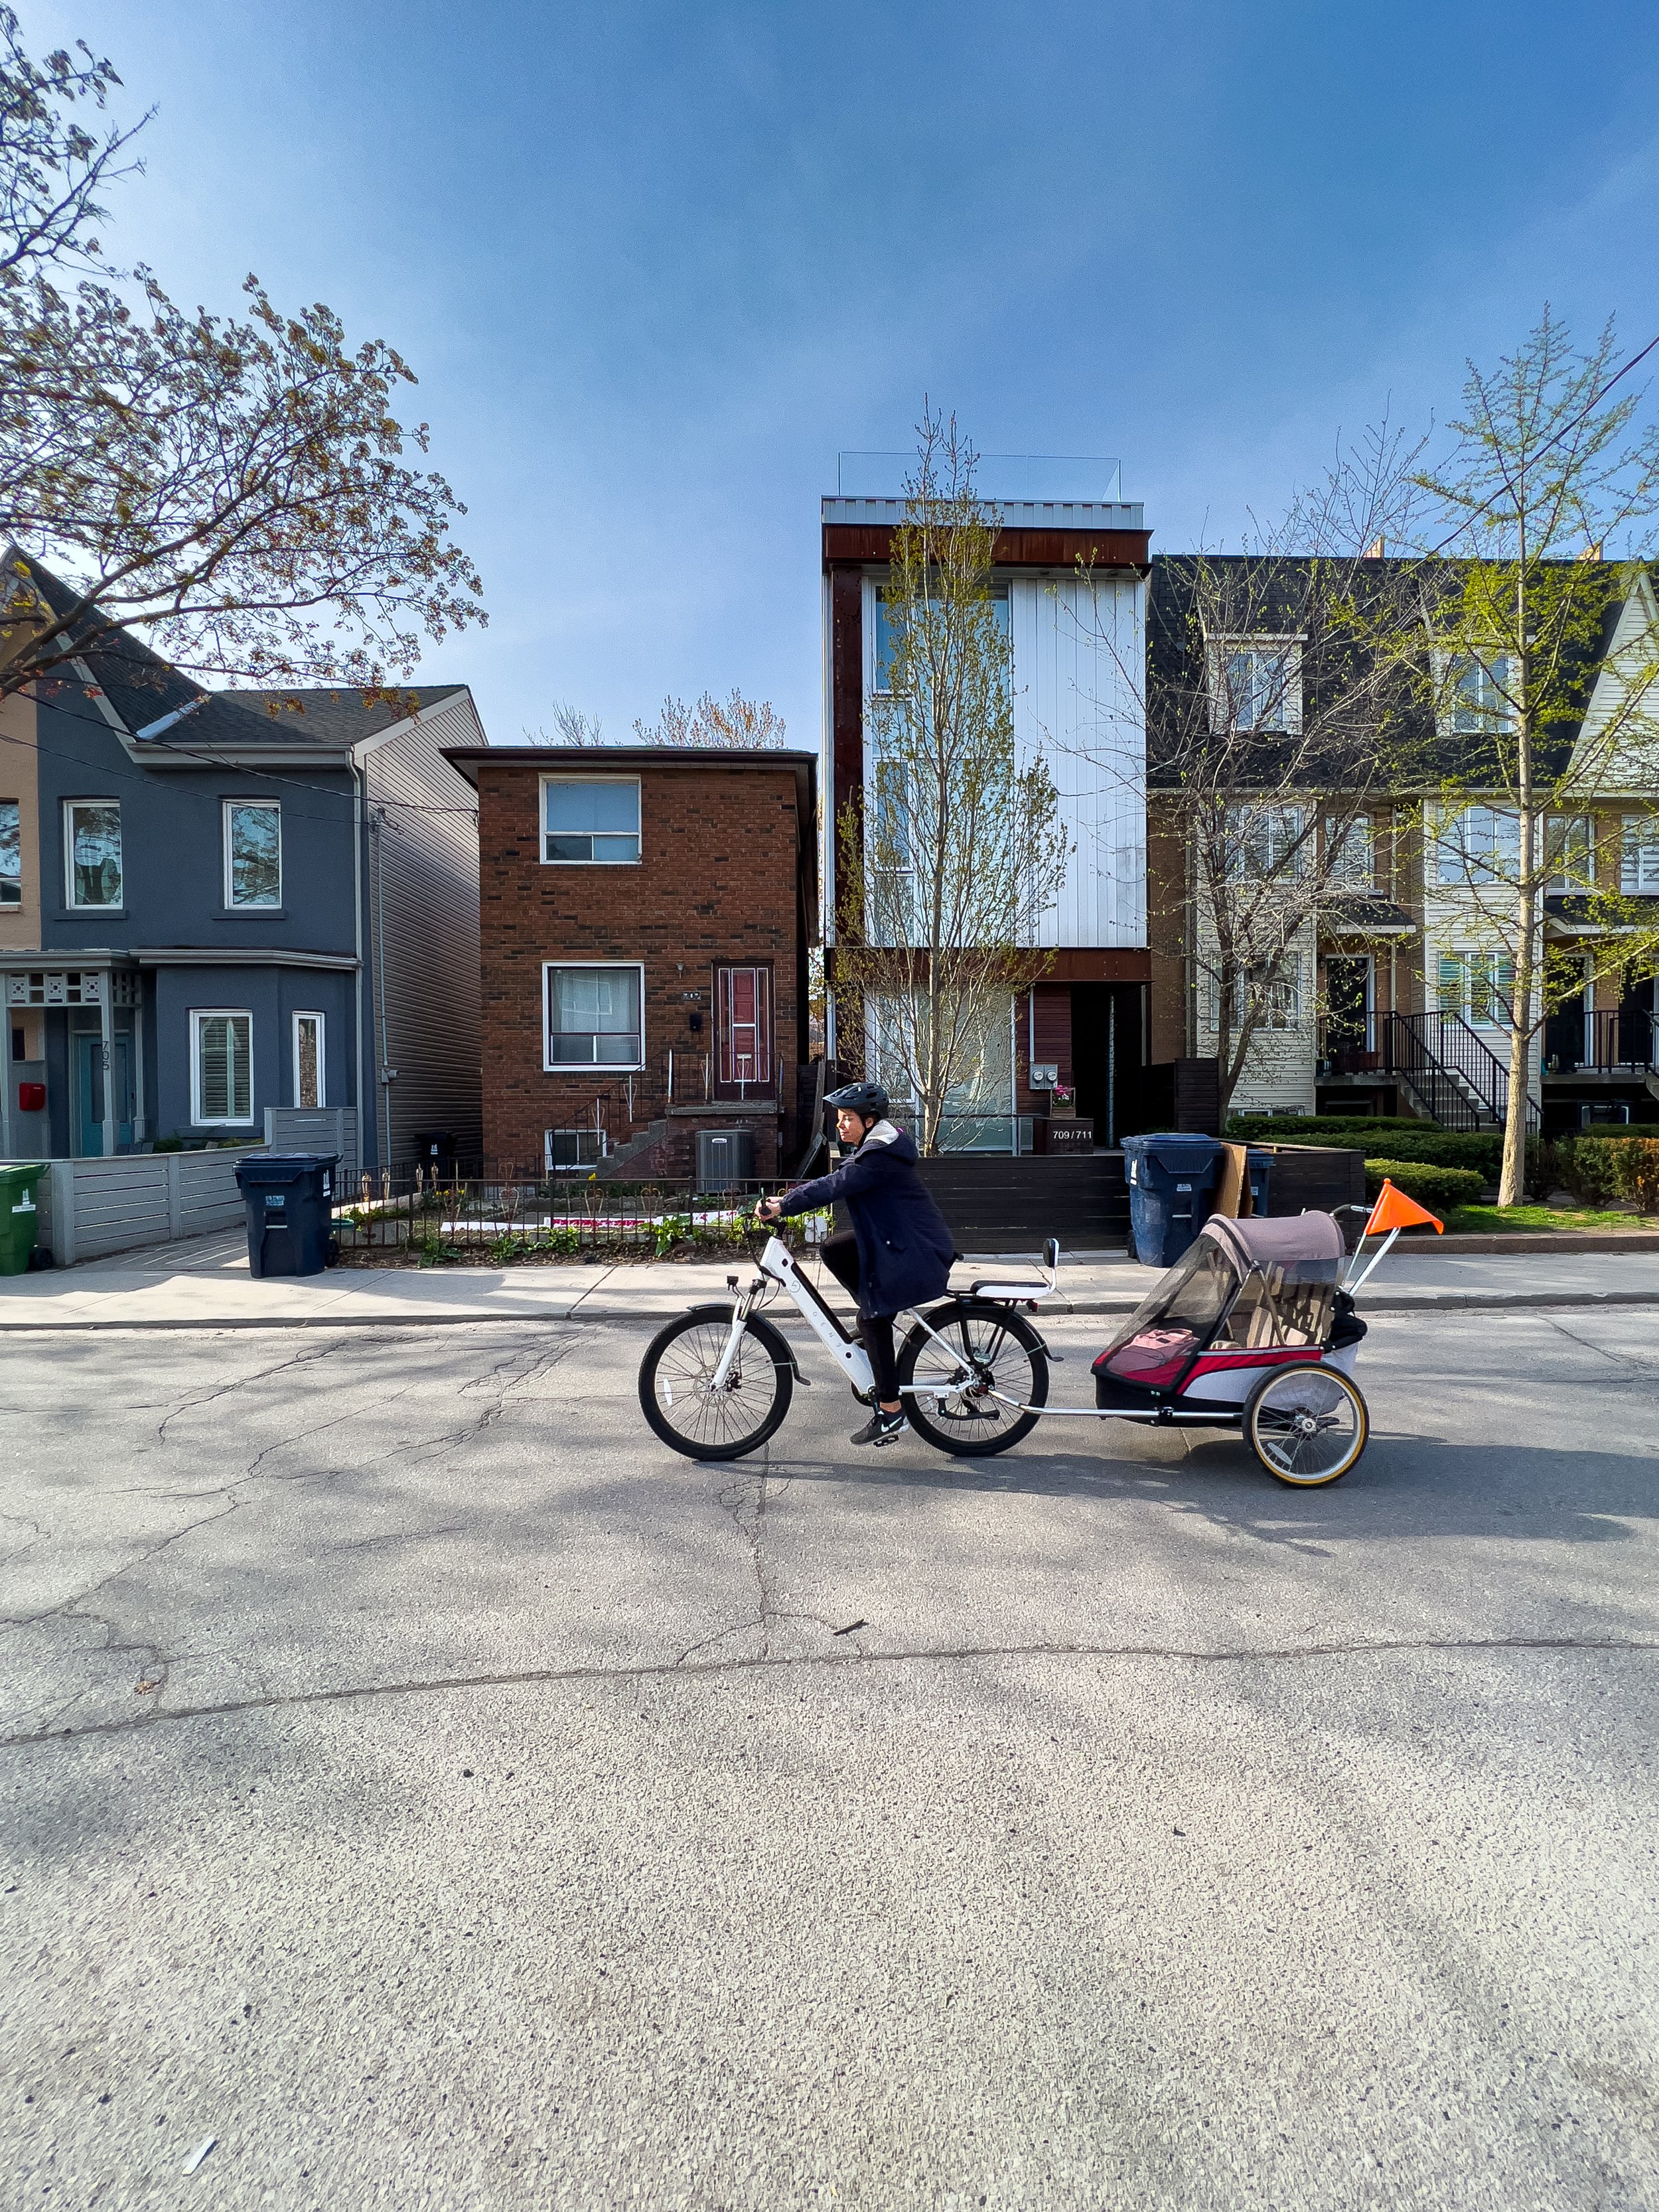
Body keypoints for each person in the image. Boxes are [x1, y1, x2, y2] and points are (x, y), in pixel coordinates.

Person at [757, 1081, 956, 1446]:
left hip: (913, 1253)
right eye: (839, 1117)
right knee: (834, 1249)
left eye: (847, 1118)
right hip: (898, 1243)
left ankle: (892, 1411)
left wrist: (784, 1205)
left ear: (869, 1120)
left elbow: (835, 1185)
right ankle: (875, 1315)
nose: (840, 1124)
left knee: (871, 1318)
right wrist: (787, 1197)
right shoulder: (874, 1148)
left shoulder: (878, 1157)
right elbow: (833, 1179)